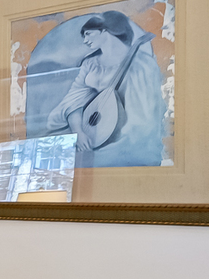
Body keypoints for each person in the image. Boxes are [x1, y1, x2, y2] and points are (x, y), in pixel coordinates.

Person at [45, 10, 166, 166]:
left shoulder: (141, 64)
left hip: (125, 137)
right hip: (86, 131)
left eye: (88, 34)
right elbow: (73, 100)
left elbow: (143, 119)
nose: (85, 40)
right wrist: (79, 133)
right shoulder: (90, 63)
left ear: (105, 30)